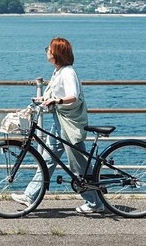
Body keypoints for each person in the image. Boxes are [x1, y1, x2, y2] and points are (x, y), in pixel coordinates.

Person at [12, 36, 104, 214]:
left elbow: (73, 95)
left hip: (68, 124)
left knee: (78, 165)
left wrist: (57, 100)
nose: (47, 51)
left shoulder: (68, 72)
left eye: (49, 49)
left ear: (57, 53)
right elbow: (57, 93)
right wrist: (44, 99)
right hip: (59, 121)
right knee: (48, 159)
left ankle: (95, 203)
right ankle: (31, 195)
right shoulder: (58, 72)